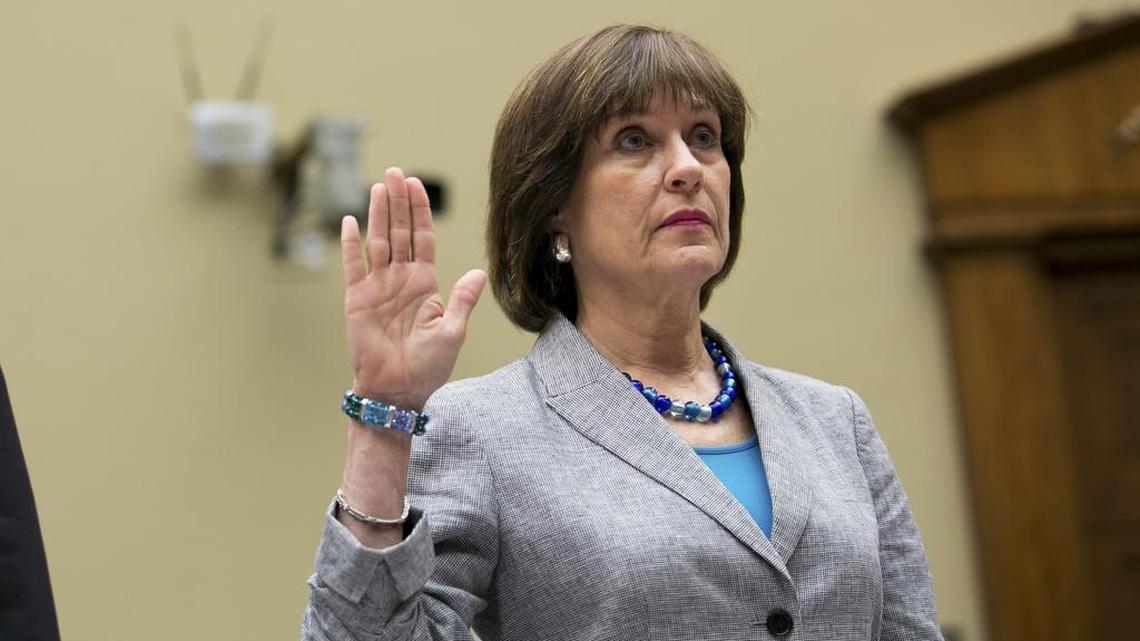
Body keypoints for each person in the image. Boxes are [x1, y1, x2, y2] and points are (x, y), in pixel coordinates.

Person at [302, 24, 944, 641]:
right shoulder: (482, 431)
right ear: (553, 206)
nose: (687, 167)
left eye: (704, 137)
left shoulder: (836, 422)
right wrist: (383, 422)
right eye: (635, 141)